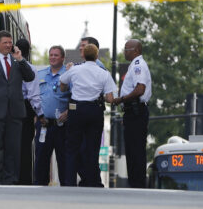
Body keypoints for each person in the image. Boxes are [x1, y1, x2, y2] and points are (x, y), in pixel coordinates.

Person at [0, 31, 36, 184]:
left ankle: (11, 180)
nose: (9, 45)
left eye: (10, 43)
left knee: (13, 149)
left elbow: (30, 77)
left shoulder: (17, 61)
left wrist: (21, 59)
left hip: (15, 112)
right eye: (5, 43)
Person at [60, 43, 116, 187]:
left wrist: (66, 87)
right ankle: (92, 181)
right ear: (97, 56)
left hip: (76, 109)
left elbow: (62, 83)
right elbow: (110, 98)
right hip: (94, 110)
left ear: (83, 55)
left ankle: (69, 181)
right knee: (93, 148)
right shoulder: (104, 73)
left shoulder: (75, 70)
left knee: (72, 148)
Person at [112, 39, 152, 188]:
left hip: (136, 111)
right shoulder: (134, 65)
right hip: (133, 111)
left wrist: (121, 99)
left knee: (135, 150)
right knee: (132, 148)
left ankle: (137, 183)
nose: (124, 51)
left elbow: (140, 89)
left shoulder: (138, 65)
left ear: (135, 50)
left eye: (126, 49)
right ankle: (135, 182)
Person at [34, 45, 71, 185]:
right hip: (44, 124)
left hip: (62, 126)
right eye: (51, 55)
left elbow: (75, 97)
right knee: (41, 160)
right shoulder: (40, 74)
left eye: (56, 55)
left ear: (63, 58)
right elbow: (34, 96)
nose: (53, 57)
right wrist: (37, 114)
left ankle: (66, 190)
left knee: (64, 161)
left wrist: (68, 112)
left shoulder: (68, 74)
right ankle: (39, 189)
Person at [17, 38, 41, 185]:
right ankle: (24, 179)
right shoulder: (30, 69)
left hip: (11, 108)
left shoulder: (10, 67)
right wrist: (40, 113)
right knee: (25, 147)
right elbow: (33, 95)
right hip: (26, 109)